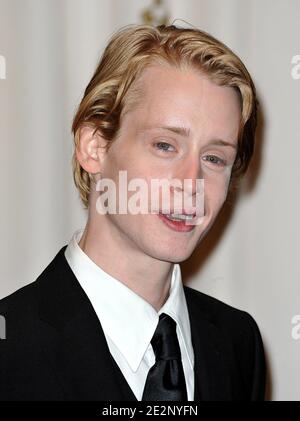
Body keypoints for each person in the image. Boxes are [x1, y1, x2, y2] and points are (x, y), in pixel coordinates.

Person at [0, 23, 265, 401]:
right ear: (94, 147)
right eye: (164, 145)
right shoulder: (10, 350)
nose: (191, 182)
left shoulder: (239, 343)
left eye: (214, 157)